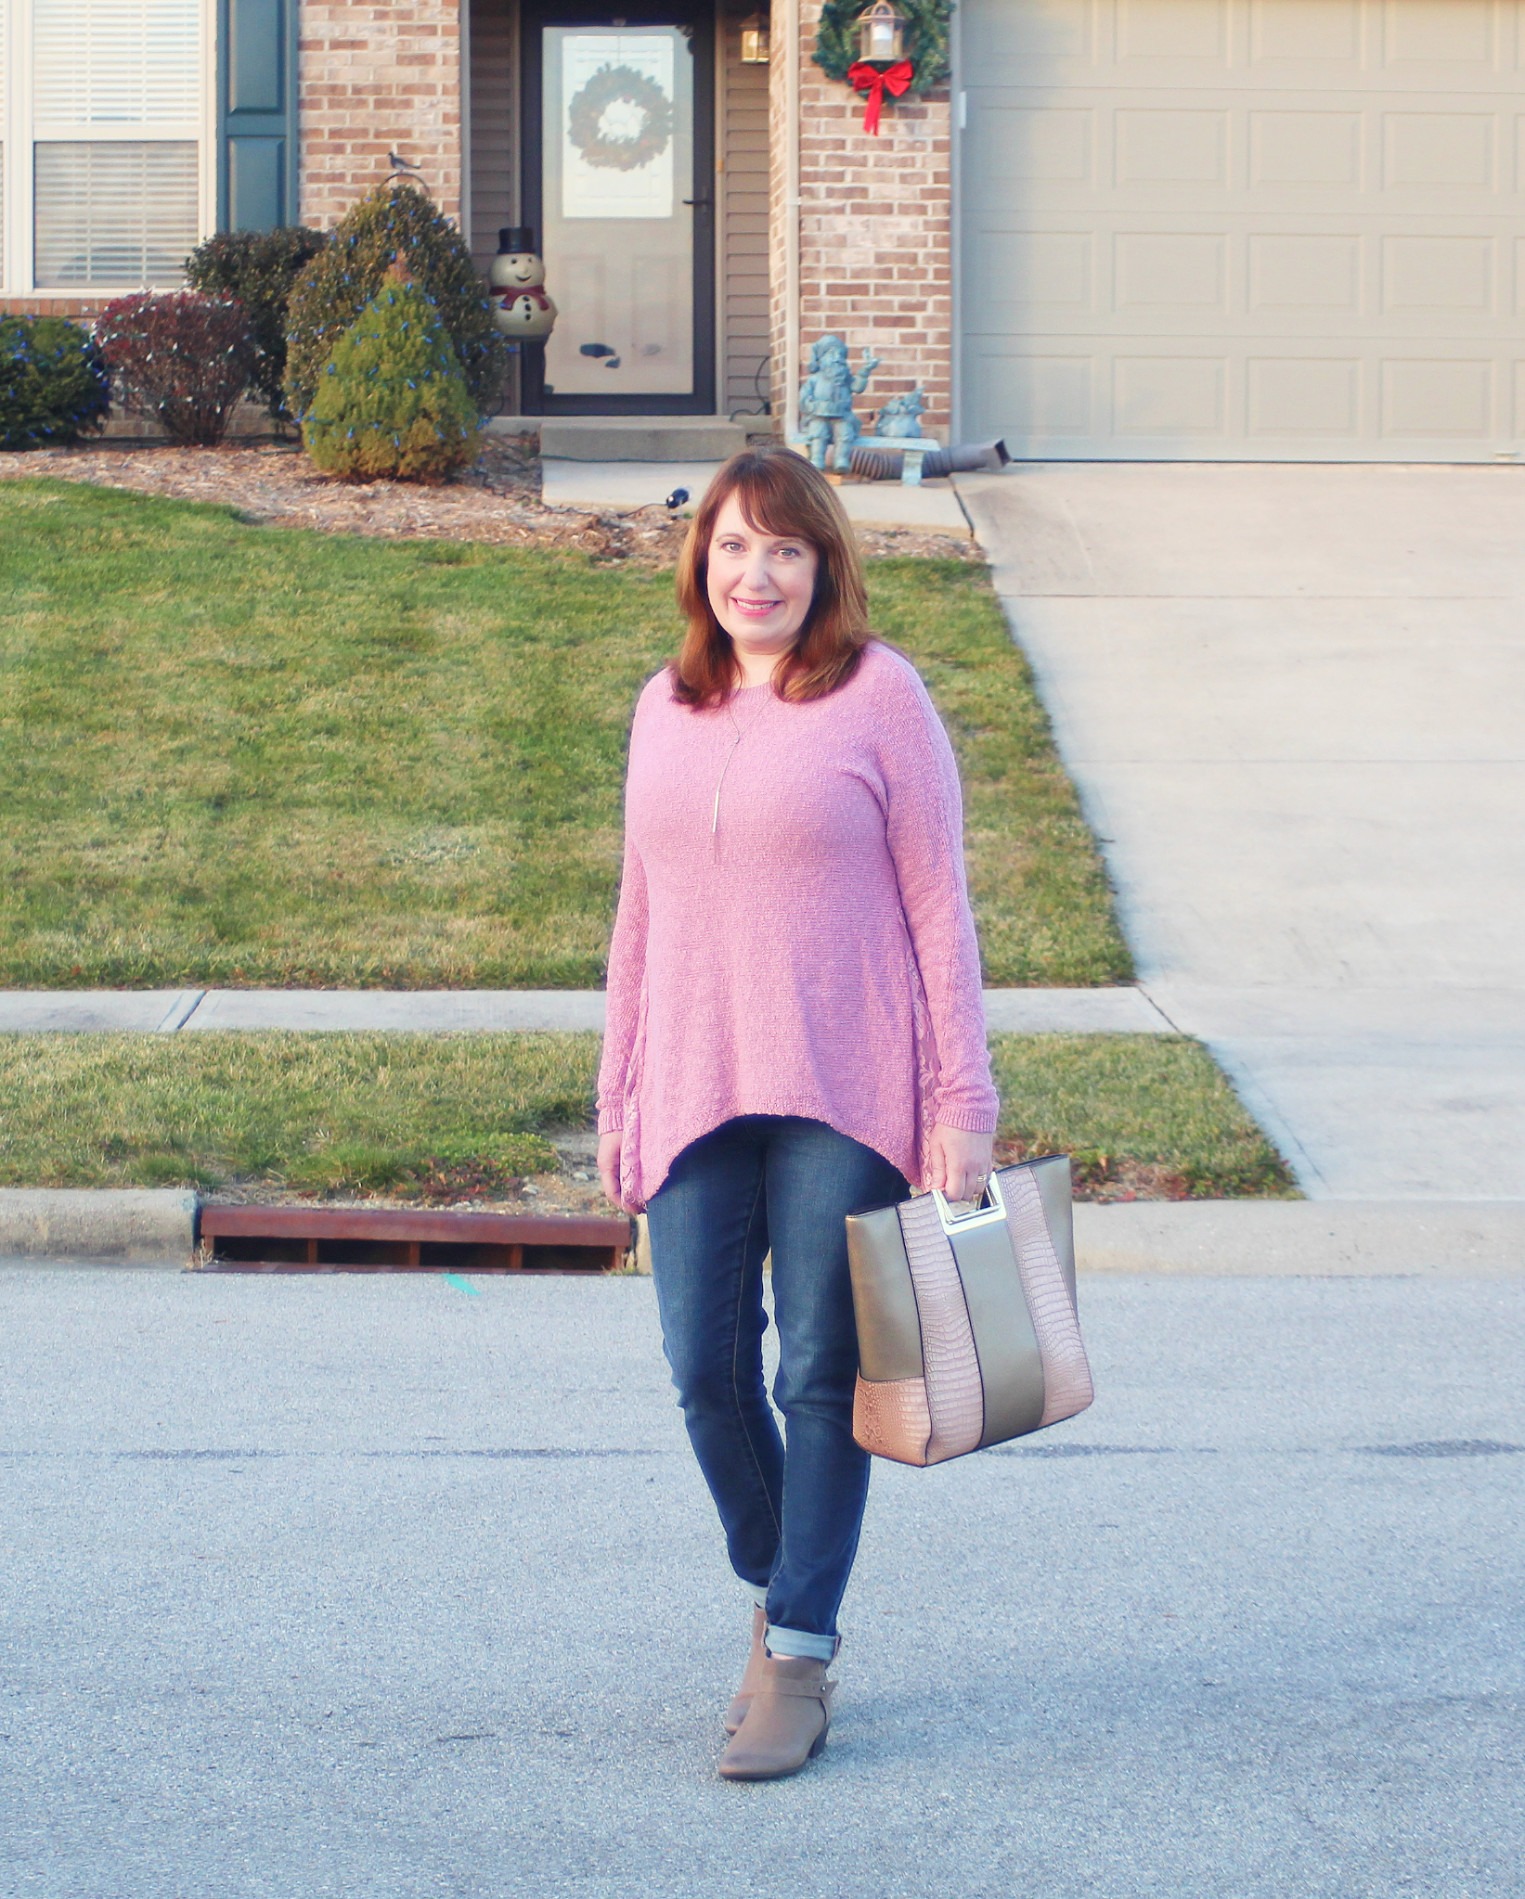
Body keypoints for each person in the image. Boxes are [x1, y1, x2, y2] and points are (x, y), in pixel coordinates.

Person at [596, 444, 997, 1781]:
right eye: (730, 548)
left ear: (823, 563)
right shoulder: (667, 703)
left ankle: (801, 1646)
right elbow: (639, 914)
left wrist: (960, 1104)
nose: (753, 574)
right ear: (696, 565)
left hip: (845, 1085)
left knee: (817, 1374)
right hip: (695, 1080)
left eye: (782, 548)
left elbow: (939, 909)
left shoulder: (880, 698)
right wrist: (621, 1090)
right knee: (704, 1373)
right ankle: (779, 1587)